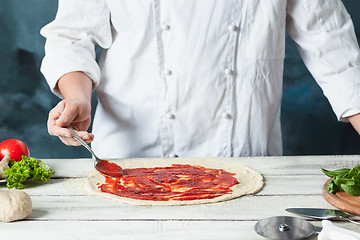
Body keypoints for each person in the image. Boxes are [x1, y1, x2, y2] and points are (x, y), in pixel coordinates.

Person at [41, 0, 360, 159]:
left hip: (244, 157)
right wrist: (77, 98)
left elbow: (333, 46)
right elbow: (72, 36)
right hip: (132, 156)